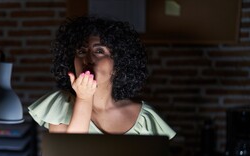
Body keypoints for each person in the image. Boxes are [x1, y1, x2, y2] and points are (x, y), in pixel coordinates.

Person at [28, 16, 175, 139]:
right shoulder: (61, 104)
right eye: (81, 51)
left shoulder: (146, 119)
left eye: (99, 51)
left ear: (118, 64)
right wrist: (84, 99)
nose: (88, 59)